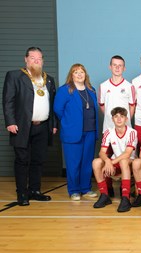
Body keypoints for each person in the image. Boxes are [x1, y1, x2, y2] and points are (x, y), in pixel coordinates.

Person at [2, 47, 57, 206]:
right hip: (21, 126)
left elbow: (52, 104)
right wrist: (10, 121)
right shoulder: (15, 76)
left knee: (38, 160)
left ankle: (35, 190)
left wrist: (53, 124)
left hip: (43, 126)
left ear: (43, 61)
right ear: (26, 59)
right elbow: (8, 101)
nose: (36, 61)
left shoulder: (48, 79)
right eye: (33, 58)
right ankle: (22, 193)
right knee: (22, 160)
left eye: (39, 58)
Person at [54, 63, 99, 201]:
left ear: (85, 74)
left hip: (90, 132)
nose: (79, 75)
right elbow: (58, 110)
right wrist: (69, 123)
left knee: (87, 162)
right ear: (71, 75)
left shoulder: (91, 91)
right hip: (72, 133)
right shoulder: (65, 90)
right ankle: (74, 190)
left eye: (82, 72)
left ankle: (85, 188)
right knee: (73, 163)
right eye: (76, 72)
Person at [92, 107, 137, 212]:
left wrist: (110, 162)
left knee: (124, 160)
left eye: (122, 116)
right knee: (96, 162)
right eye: (116, 116)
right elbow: (102, 152)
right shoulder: (109, 132)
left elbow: (127, 153)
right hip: (114, 161)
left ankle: (126, 198)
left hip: (129, 162)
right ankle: (104, 195)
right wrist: (107, 161)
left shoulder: (132, 132)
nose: (119, 119)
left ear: (126, 119)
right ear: (112, 119)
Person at [99, 55, 135, 132]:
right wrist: (111, 116)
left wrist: (124, 119)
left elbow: (132, 106)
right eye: (114, 65)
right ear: (110, 67)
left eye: (120, 65)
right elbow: (102, 105)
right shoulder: (103, 86)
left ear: (124, 68)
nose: (117, 68)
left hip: (125, 129)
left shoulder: (129, 86)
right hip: (108, 127)